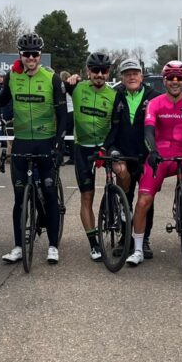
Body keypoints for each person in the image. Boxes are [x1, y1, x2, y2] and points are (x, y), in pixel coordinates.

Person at [125, 60, 182, 267]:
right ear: (164, 80)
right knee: (143, 202)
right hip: (160, 157)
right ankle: (138, 249)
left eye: (179, 78)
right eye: (170, 78)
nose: (175, 81)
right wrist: (153, 151)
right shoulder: (155, 103)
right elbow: (148, 132)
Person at [0, 33, 67, 264]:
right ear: (20, 55)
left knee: (49, 193)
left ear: (40, 55)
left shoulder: (52, 79)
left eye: (34, 54)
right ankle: (18, 246)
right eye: (26, 54)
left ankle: (53, 246)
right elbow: (0, 101)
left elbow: (63, 116)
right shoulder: (12, 76)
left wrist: (59, 146)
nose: (30, 58)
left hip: (46, 142)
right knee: (19, 198)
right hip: (22, 142)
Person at [63, 52, 117, 260]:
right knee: (87, 196)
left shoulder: (114, 95)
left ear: (108, 72)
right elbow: (57, 84)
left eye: (103, 71)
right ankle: (94, 243)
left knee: (122, 173)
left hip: (105, 147)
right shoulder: (77, 88)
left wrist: (108, 146)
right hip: (83, 148)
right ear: (88, 71)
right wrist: (70, 79)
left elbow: (117, 126)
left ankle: (120, 207)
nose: (99, 74)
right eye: (95, 70)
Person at [103, 58, 159, 258]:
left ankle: (144, 240)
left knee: (146, 199)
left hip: (145, 154)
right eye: (127, 74)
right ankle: (124, 238)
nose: (132, 77)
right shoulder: (116, 95)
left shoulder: (154, 96)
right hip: (122, 151)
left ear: (141, 76)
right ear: (122, 78)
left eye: (135, 73)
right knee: (124, 194)